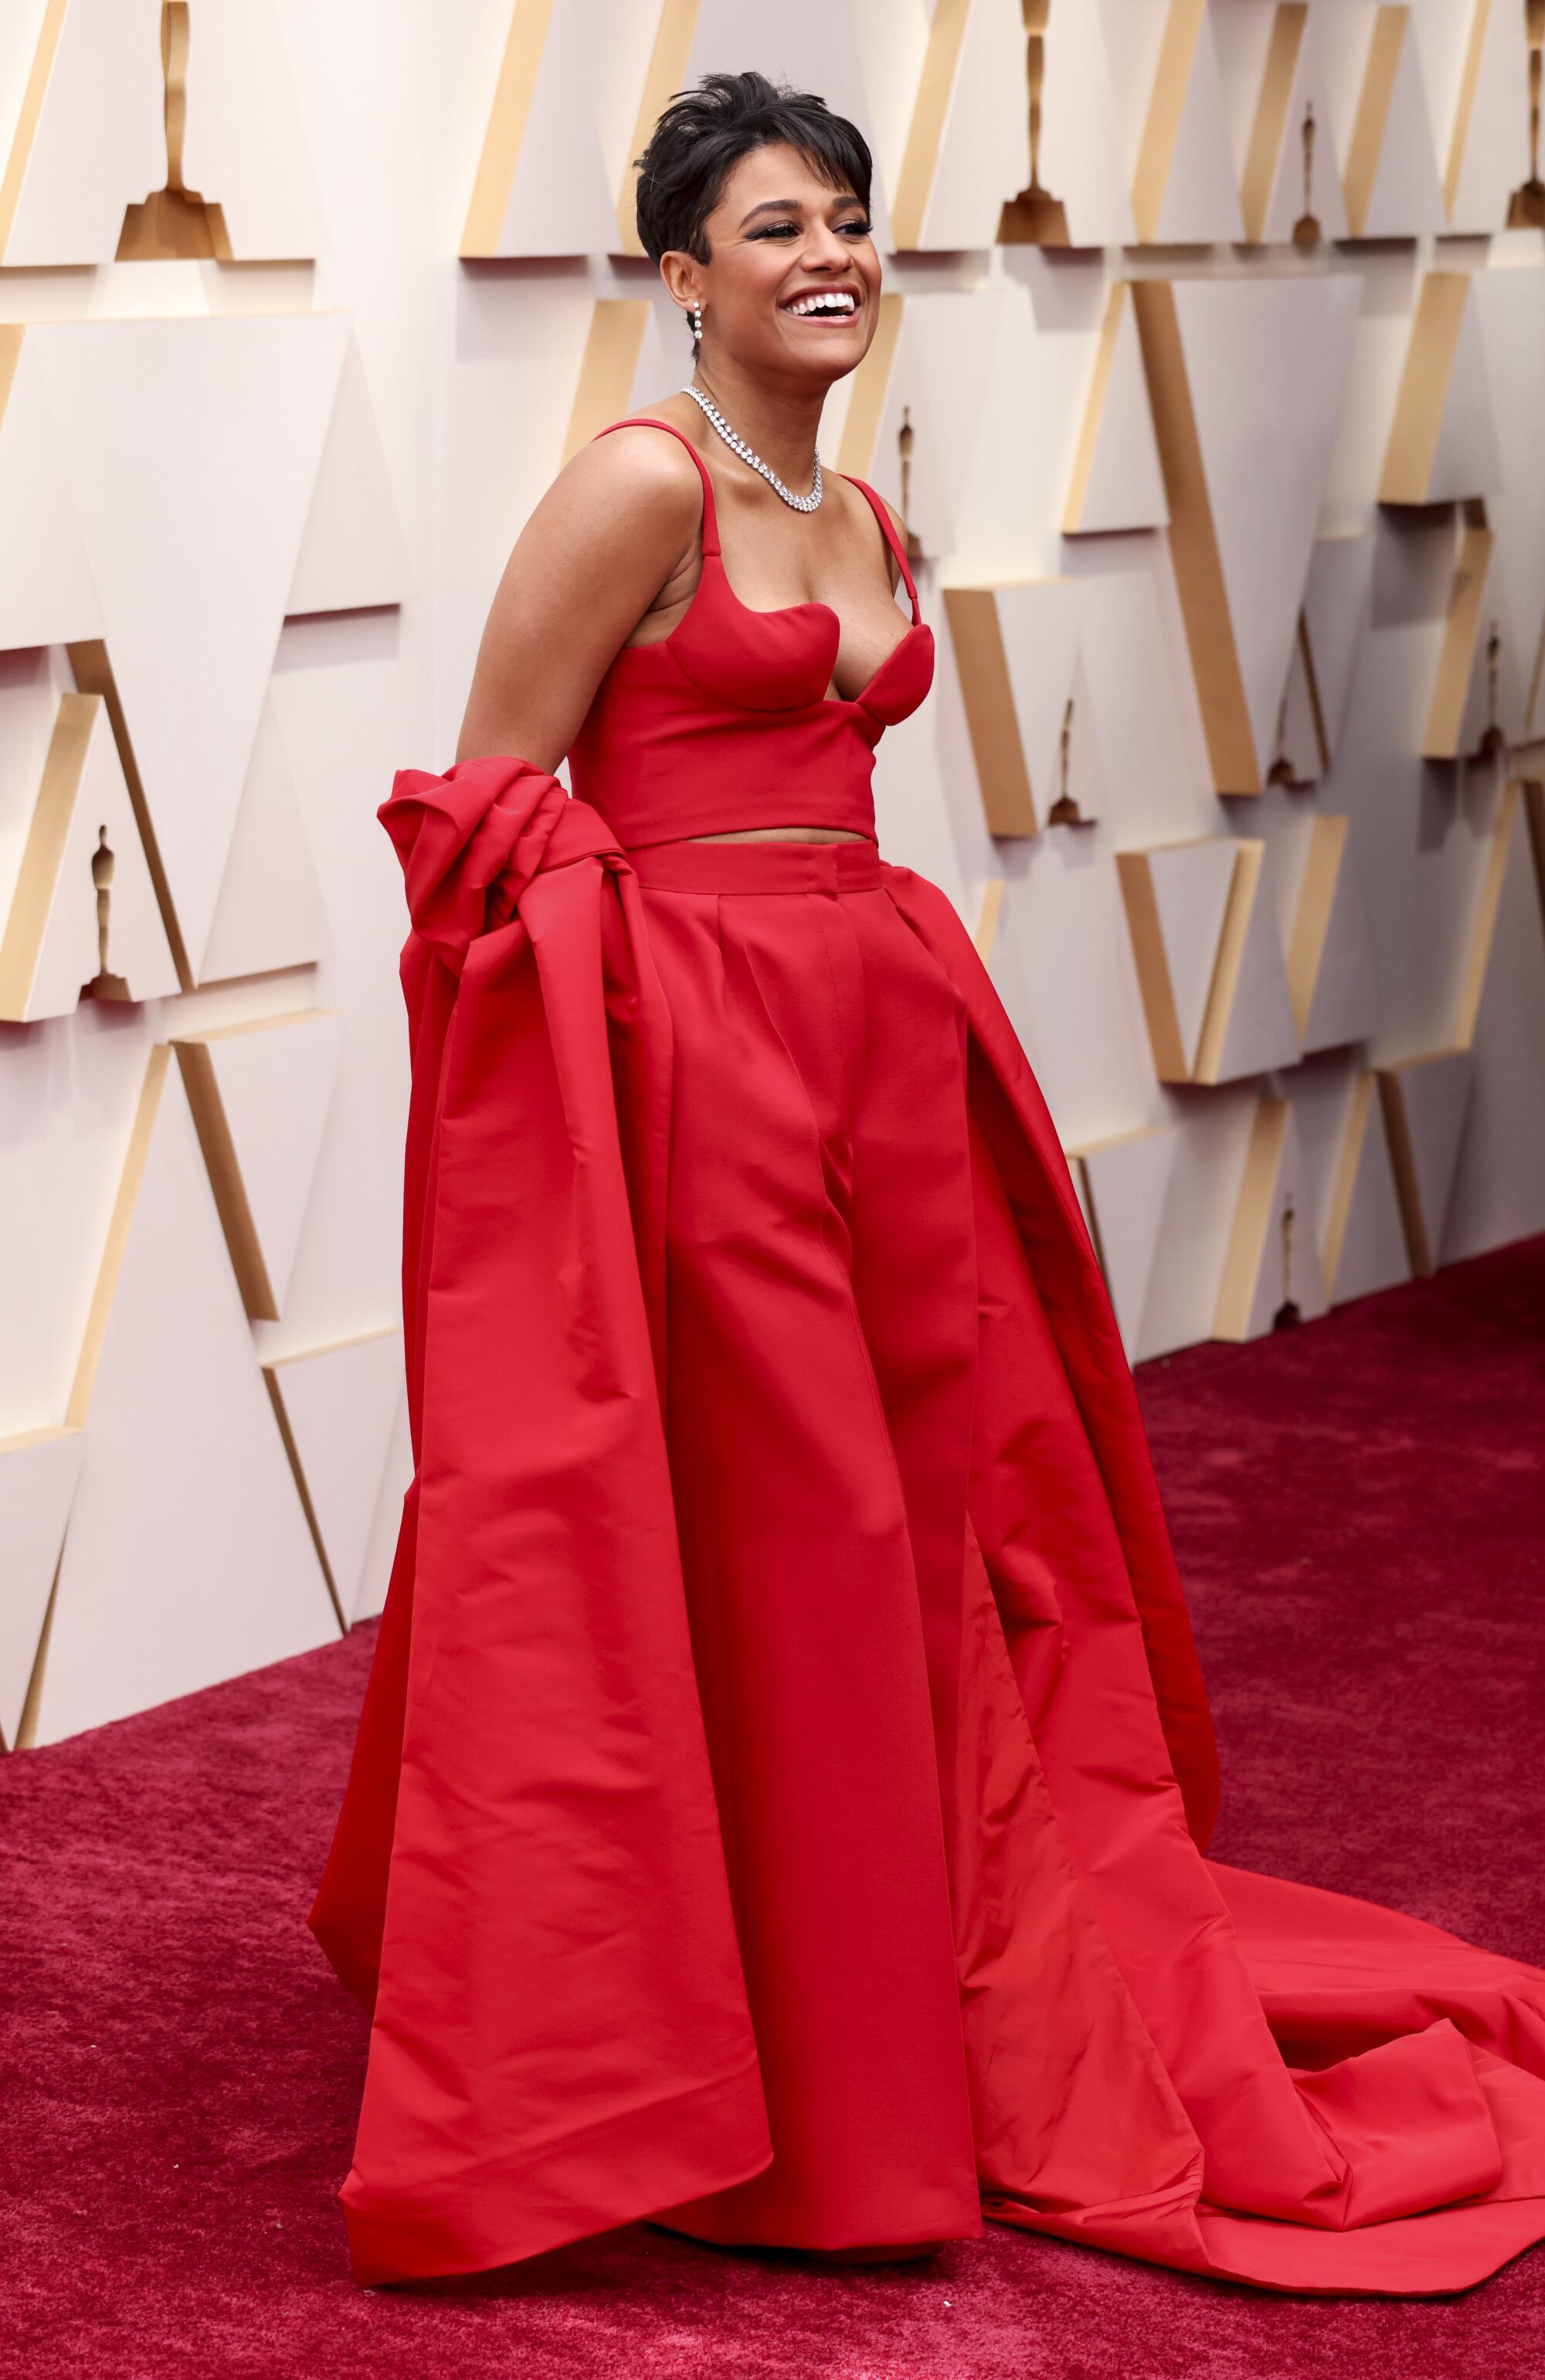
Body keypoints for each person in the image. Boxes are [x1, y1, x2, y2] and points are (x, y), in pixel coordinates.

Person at [309, 71, 1545, 2295]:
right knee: (790, 1539)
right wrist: (649, 992)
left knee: (928, 1535)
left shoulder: (865, 516)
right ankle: (791, 2090)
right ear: (681, 275)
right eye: (776, 226)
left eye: (853, 219)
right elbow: (484, 804)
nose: (831, 256)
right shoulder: (632, 485)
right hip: (706, 1074)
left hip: (890, 1058)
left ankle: (905, 2006)